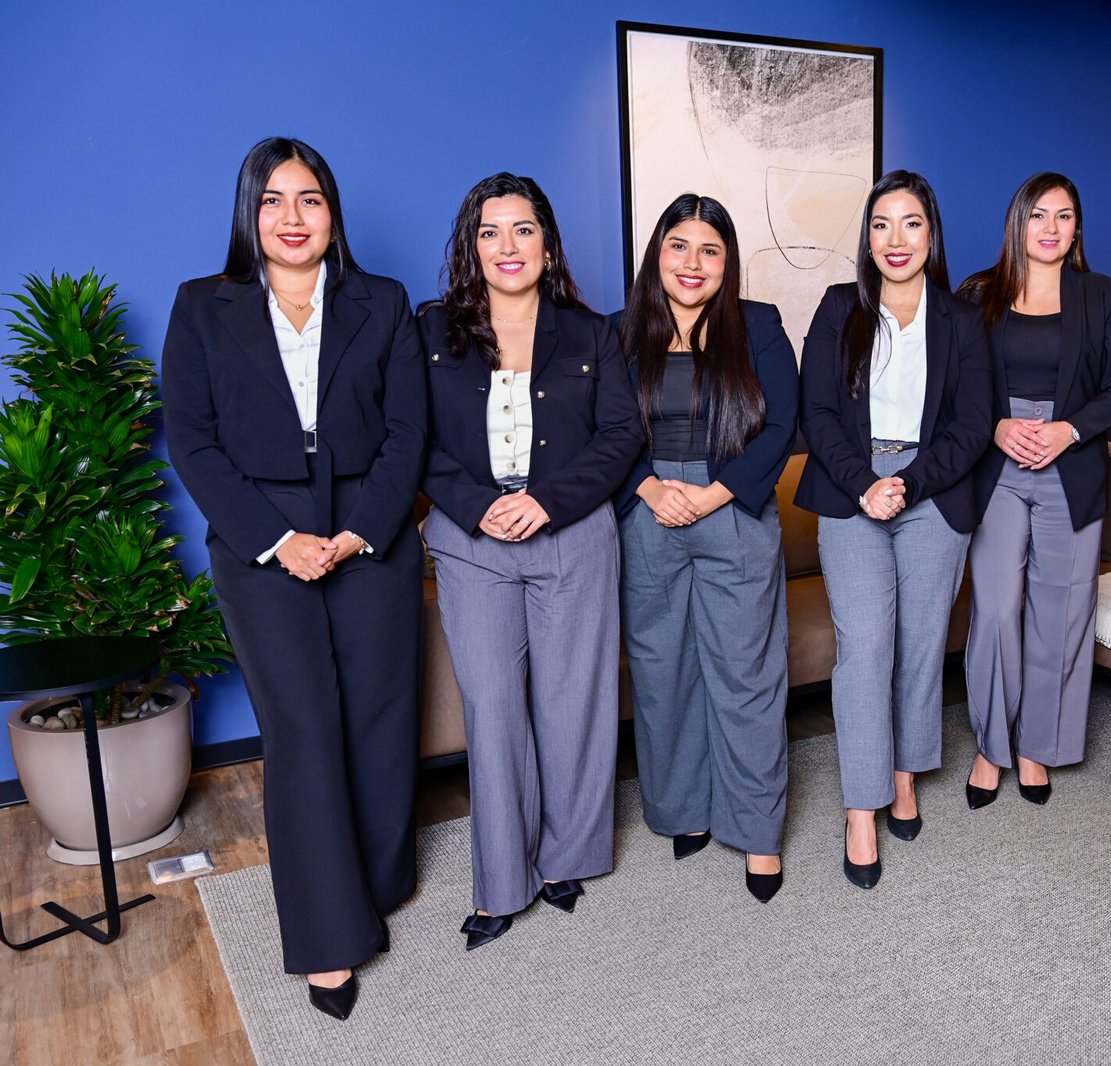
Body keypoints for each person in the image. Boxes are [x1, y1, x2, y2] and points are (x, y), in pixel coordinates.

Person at [162, 136, 425, 1020]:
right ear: (250, 213)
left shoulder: (383, 302)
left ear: (332, 212)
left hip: (368, 528)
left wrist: (358, 532)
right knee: (304, 728)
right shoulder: (202, 307)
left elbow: (407, 433)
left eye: (309, 199)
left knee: (380, 718)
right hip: (260, 534)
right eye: (273, 200)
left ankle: (378, 884)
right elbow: (192, 441)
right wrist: (279, 540)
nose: (292, 217)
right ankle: (327, 940)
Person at [419, 173, 642, 948]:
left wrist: (546, 501)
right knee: (492, 707)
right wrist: (476, 504)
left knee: (573, 701)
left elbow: (621, 434)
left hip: (571, 533)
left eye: (523, 229)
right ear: (471, 247)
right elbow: (410, 438)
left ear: (547, 244)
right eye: (490, 232)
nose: (507, 246)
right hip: (472, 541)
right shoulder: (431, 331)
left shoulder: (591, 333)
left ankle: (567, 859)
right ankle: (501, 883)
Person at [795, 170, 991, 889]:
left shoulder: (961, 319)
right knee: (866, 649)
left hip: (931, 491)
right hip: (852, 491)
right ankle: (861, 805)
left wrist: (907, 483)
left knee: (920, 644)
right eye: (881, 225)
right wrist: (865, 483)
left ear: (931, 233)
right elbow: (815, 412)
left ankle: (906, 774)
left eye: (911, 223)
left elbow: (974, 424)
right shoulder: (838, 307)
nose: (895, 239)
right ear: (867, 237)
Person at [614, 193, 798, 903]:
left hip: (734, 510)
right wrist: (648, 486)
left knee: (746, 676)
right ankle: (683, 810)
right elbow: (600, 427)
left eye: (710, 249)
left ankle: (757, 830)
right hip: (648, 513)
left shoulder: (759, 326)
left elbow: (782, 425)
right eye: (679, 246)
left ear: (728, 261)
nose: (693, 263)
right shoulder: (620, 332)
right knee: (663, 672)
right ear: (657, 254)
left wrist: (715, 493)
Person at [957, 172, 1111, 808]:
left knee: (1061, 614)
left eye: (1063, 216)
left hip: (1072, 464)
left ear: (1076, 227)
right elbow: (953, 381)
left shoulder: (1102, 295)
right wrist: (997, 425)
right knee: (997, 608)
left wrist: (1068, 430)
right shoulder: (979, 293)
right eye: (1038, 215)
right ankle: (991, 746)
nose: (1050, 227)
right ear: (1018, 222)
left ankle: (1037, 747)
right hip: (997, 466)